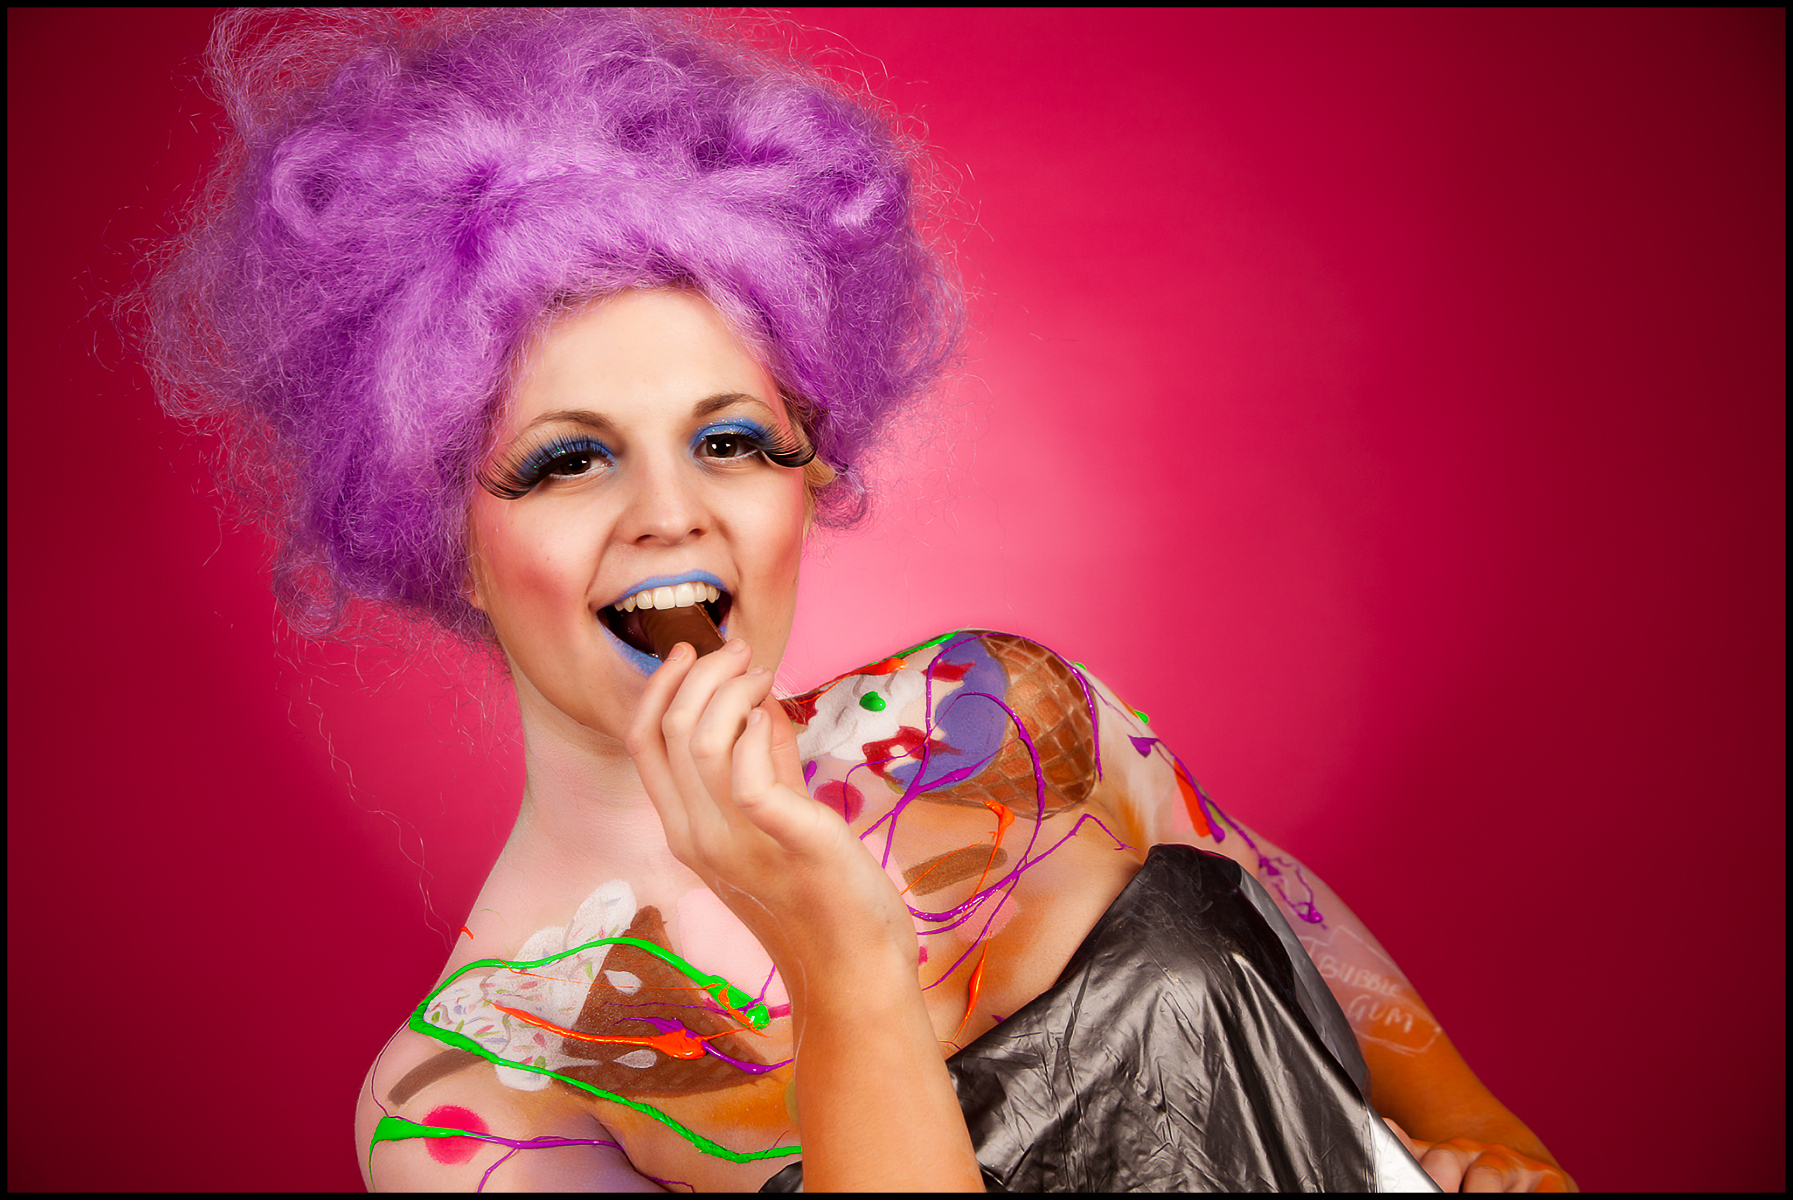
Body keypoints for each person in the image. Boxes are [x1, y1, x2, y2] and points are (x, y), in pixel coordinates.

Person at [125, 9, 1573, 1192]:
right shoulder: (477, 1102)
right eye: (570, 460)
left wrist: (1486, 1142)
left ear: (804, 478)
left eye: (730, 441)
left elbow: (1292, 938)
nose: (673, 512)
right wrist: (839, 957)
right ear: (440, 537)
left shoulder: (993, 716)